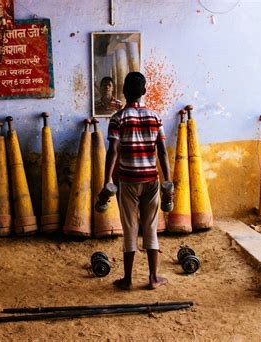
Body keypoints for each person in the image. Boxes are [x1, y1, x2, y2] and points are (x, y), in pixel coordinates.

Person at [104, 71, 172, 290]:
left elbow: (112, 152)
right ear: (144, 92)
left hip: (128, 181)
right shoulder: (155, 117)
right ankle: (153, 278)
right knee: (151, 228)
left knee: (130, 228)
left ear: (123, 92)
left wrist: (108, 181)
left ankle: (128, 279)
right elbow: (162, 153)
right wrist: (167, 182)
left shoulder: (117, 119)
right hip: (151, 181)